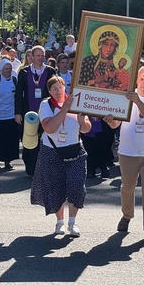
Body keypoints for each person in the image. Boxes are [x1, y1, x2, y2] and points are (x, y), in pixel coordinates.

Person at [105, 65, 144, 244]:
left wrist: (138, 102)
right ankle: (126, 216)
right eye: (141, 79)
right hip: (127, 152)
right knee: (127, 188)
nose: (143, 83)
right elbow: (115, 124)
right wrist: (110, 120)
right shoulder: (126, 96)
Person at [31, 76, 91, 236]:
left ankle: (73, 223)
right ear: (49, 91)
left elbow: (86, 129)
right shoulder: (46, 105)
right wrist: (65, 109)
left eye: (60, 87)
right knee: (55, 187)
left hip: (75, 150)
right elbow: (49, 128)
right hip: (52, 150)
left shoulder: (76, 102)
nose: (58, 91)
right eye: (54, 89)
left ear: (65, 87)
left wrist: (81, 118)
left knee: (77, 186)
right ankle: (60, 223)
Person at [16, 45, 57, 176]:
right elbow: (18, 93)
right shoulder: (24, 72)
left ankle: (43, 167)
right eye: (37, 56)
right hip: (28, 112)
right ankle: (30, 166)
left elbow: (55, 91)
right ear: (31, 57)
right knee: (29, 139)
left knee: (44, 140)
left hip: (46, 111)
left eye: (42, 56)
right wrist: (17, 112)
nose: (40, 58)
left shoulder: (50, 71)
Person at [0, 59, 19, 169]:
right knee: (0, 138)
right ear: (1, 69)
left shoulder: (14, 80)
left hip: (12, 114)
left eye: (9, 69)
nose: (8, 71)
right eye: (6, 69)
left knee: (11, 138)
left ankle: (8, 160)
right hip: (0, 115)